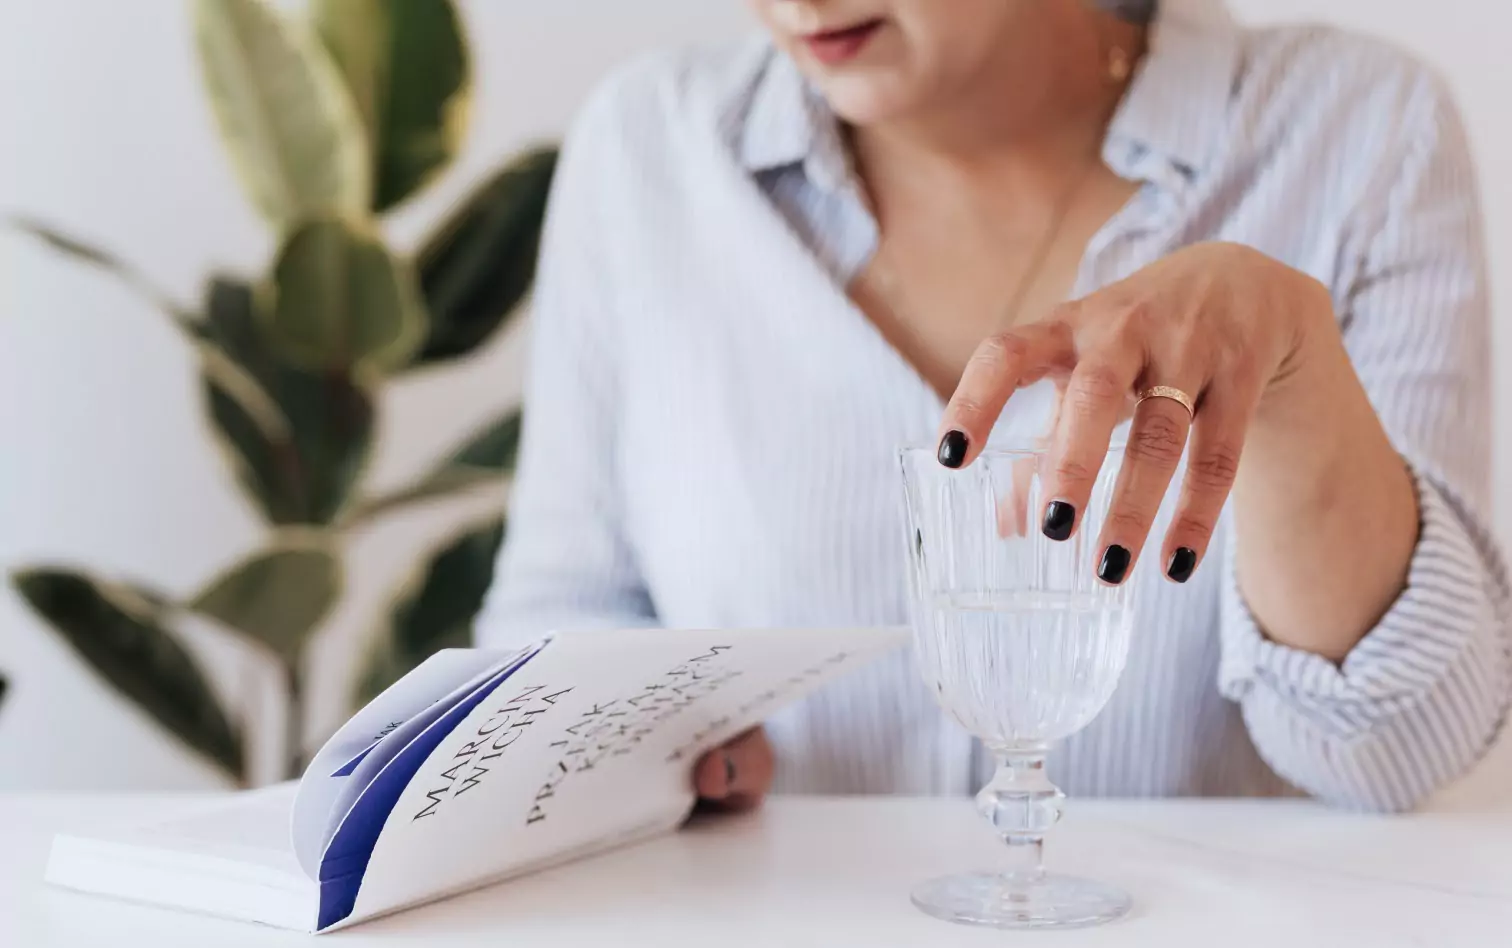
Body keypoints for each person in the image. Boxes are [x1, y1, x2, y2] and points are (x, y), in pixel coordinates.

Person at [476, 0, 1512, 813]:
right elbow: (558, 606)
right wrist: (646, 743)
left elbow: (1395, 756)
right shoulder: (650, 148)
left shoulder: (1360, 133)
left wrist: (1292, 375)